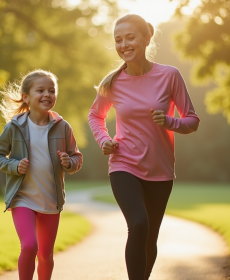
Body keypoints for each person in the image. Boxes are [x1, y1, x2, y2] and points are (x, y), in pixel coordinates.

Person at [88, 14, 200, 280]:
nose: (124, 44)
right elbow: (96, 115)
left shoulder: (169, 75)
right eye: (118, 40)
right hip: (124, 164)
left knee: (150, 238)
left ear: (146, 38)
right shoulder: (112, 82)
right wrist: (104, 140)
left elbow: (193, 120)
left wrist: (171, 122)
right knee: (138, 224)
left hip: (160, 170)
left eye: (130, 37)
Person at [0, 69, 83, 280]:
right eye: (40, 90)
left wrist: (69, 162)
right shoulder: (15, 127)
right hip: (22, 198)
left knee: (46, 256)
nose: (47, 94)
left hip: (51, 200)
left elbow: (77, 158)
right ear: (26, 97)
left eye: (51, 90)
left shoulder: (63, 127)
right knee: (30, 246)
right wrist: (13, 166)